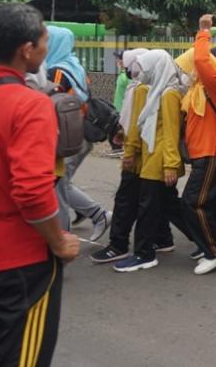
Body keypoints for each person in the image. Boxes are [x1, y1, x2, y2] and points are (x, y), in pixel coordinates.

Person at [0, 3, 80, 366]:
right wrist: (58, 241)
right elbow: (33, 191)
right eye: (43, 40)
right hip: (19, 261)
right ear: (27, 49)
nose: (44, 47)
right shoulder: (28, 104)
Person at [113, 50, 192, 273]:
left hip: (158, 161)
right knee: (163, 206)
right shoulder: (153, 92)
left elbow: (170, 133)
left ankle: (144, 254)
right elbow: (139, 127)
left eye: (145, 67)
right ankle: (211, 243)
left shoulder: (168, 94)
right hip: (150, 158)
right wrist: (131, 151)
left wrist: (169, 165)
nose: (140, 72)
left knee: (148, 208)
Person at [173, 44, 216, 274]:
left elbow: (202, 58)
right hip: (204, 153)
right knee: (211, 203)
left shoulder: (212, 86)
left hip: (212, 153)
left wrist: (204, 31)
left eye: (186, 67)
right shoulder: (196, 90)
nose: (184, 72)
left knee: (193, 202)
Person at [46, 26, 110, 242]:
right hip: (80, 134)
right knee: (61, 183)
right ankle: (90, 213)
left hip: (68, 136)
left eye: (46, 40)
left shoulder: (56, 71)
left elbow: (49, 103)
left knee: (58, 186)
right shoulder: (74, 66)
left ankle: (64, 237)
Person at [91, 48, 151, 265]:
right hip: (140, 153)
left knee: (126, 200)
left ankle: (118, 245)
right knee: (154, 200)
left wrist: (129, 150)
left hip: (137, 155)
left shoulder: (142, 89)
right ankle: (162, 239)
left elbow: (136, 124)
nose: (127, 69)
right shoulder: (140, 86)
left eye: (129, 65)